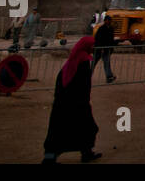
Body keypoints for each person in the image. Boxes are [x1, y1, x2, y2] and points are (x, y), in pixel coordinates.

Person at [41, 36, 102, 164]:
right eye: (92, 45)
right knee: (86, 127)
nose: (93, 48)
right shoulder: (83, 61)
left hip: (63, 102)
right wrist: (84, 100)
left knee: (60, 130)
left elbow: (62, 80)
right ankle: (86, 152)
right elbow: (84, 84)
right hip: (77, 102)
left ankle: (51, 156)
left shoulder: (73, 60)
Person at [91, 18, 116, 83]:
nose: (109, 21)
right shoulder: (101, 28)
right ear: (105, 21)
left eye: (110, 20)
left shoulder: (111, 29)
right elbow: (98, 39)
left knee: (107, 63)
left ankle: (109, 77)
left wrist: (111, 48)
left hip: (107, 49)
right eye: (107, 20)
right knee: (93, 63)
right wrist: (100, 48)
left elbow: (111, 39)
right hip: (99, 49)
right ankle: (87, 76)